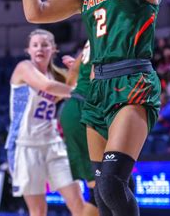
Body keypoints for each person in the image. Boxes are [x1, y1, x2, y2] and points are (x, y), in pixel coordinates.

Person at [16, 0, 162, 216]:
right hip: (97, 91)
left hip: (132, 83)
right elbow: (35, 12)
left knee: (111, 183)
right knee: (101, 197)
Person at [5, 29, 84, 216]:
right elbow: (49, 87)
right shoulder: (23, 68)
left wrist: (78, 67)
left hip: (54, 145)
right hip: (25, 146)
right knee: (38, 211)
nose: (39, 48)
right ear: (28, 50)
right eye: (35, 45)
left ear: (53, 49)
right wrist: (75, 90)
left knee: (77, 203)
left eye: (44, 44)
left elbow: (82, 83)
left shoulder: (58, 76)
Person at [60, 41, 98, 216]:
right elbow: (95, 76)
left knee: (105, 188)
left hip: (74, 108)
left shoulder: (94, 34)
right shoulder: (114, 30)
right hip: (84, 111)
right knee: (102, 188)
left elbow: (74, 70)